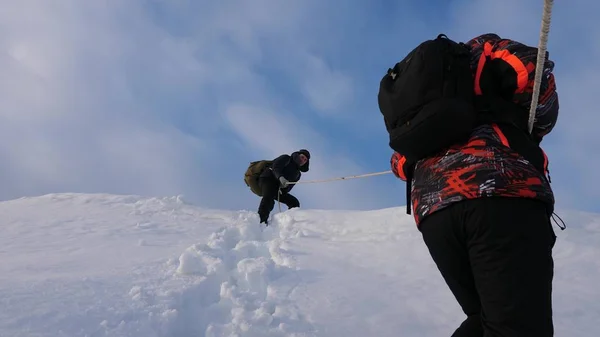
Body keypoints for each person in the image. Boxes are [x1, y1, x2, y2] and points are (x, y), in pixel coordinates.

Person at [388, 33, 560, 336]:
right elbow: (531, 72)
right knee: (516, 327)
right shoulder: (484, 50)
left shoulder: (422, 95)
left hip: (434, 213)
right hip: (500, 190)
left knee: (485, 320)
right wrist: (528, 126)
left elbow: (400, 164)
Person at [257, 149, 310, 225]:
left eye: (305, 160)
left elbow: (289, 187)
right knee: (269, 198)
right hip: (267, 179)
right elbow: (276, 167)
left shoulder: (298, 174)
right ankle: (261, 221)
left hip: (278, 188)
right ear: (297, 155)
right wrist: (280, 177)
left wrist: (285, 187)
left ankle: (288, 223)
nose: (303, 160)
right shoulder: (286, 158)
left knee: (294, 202)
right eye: (302, 157)